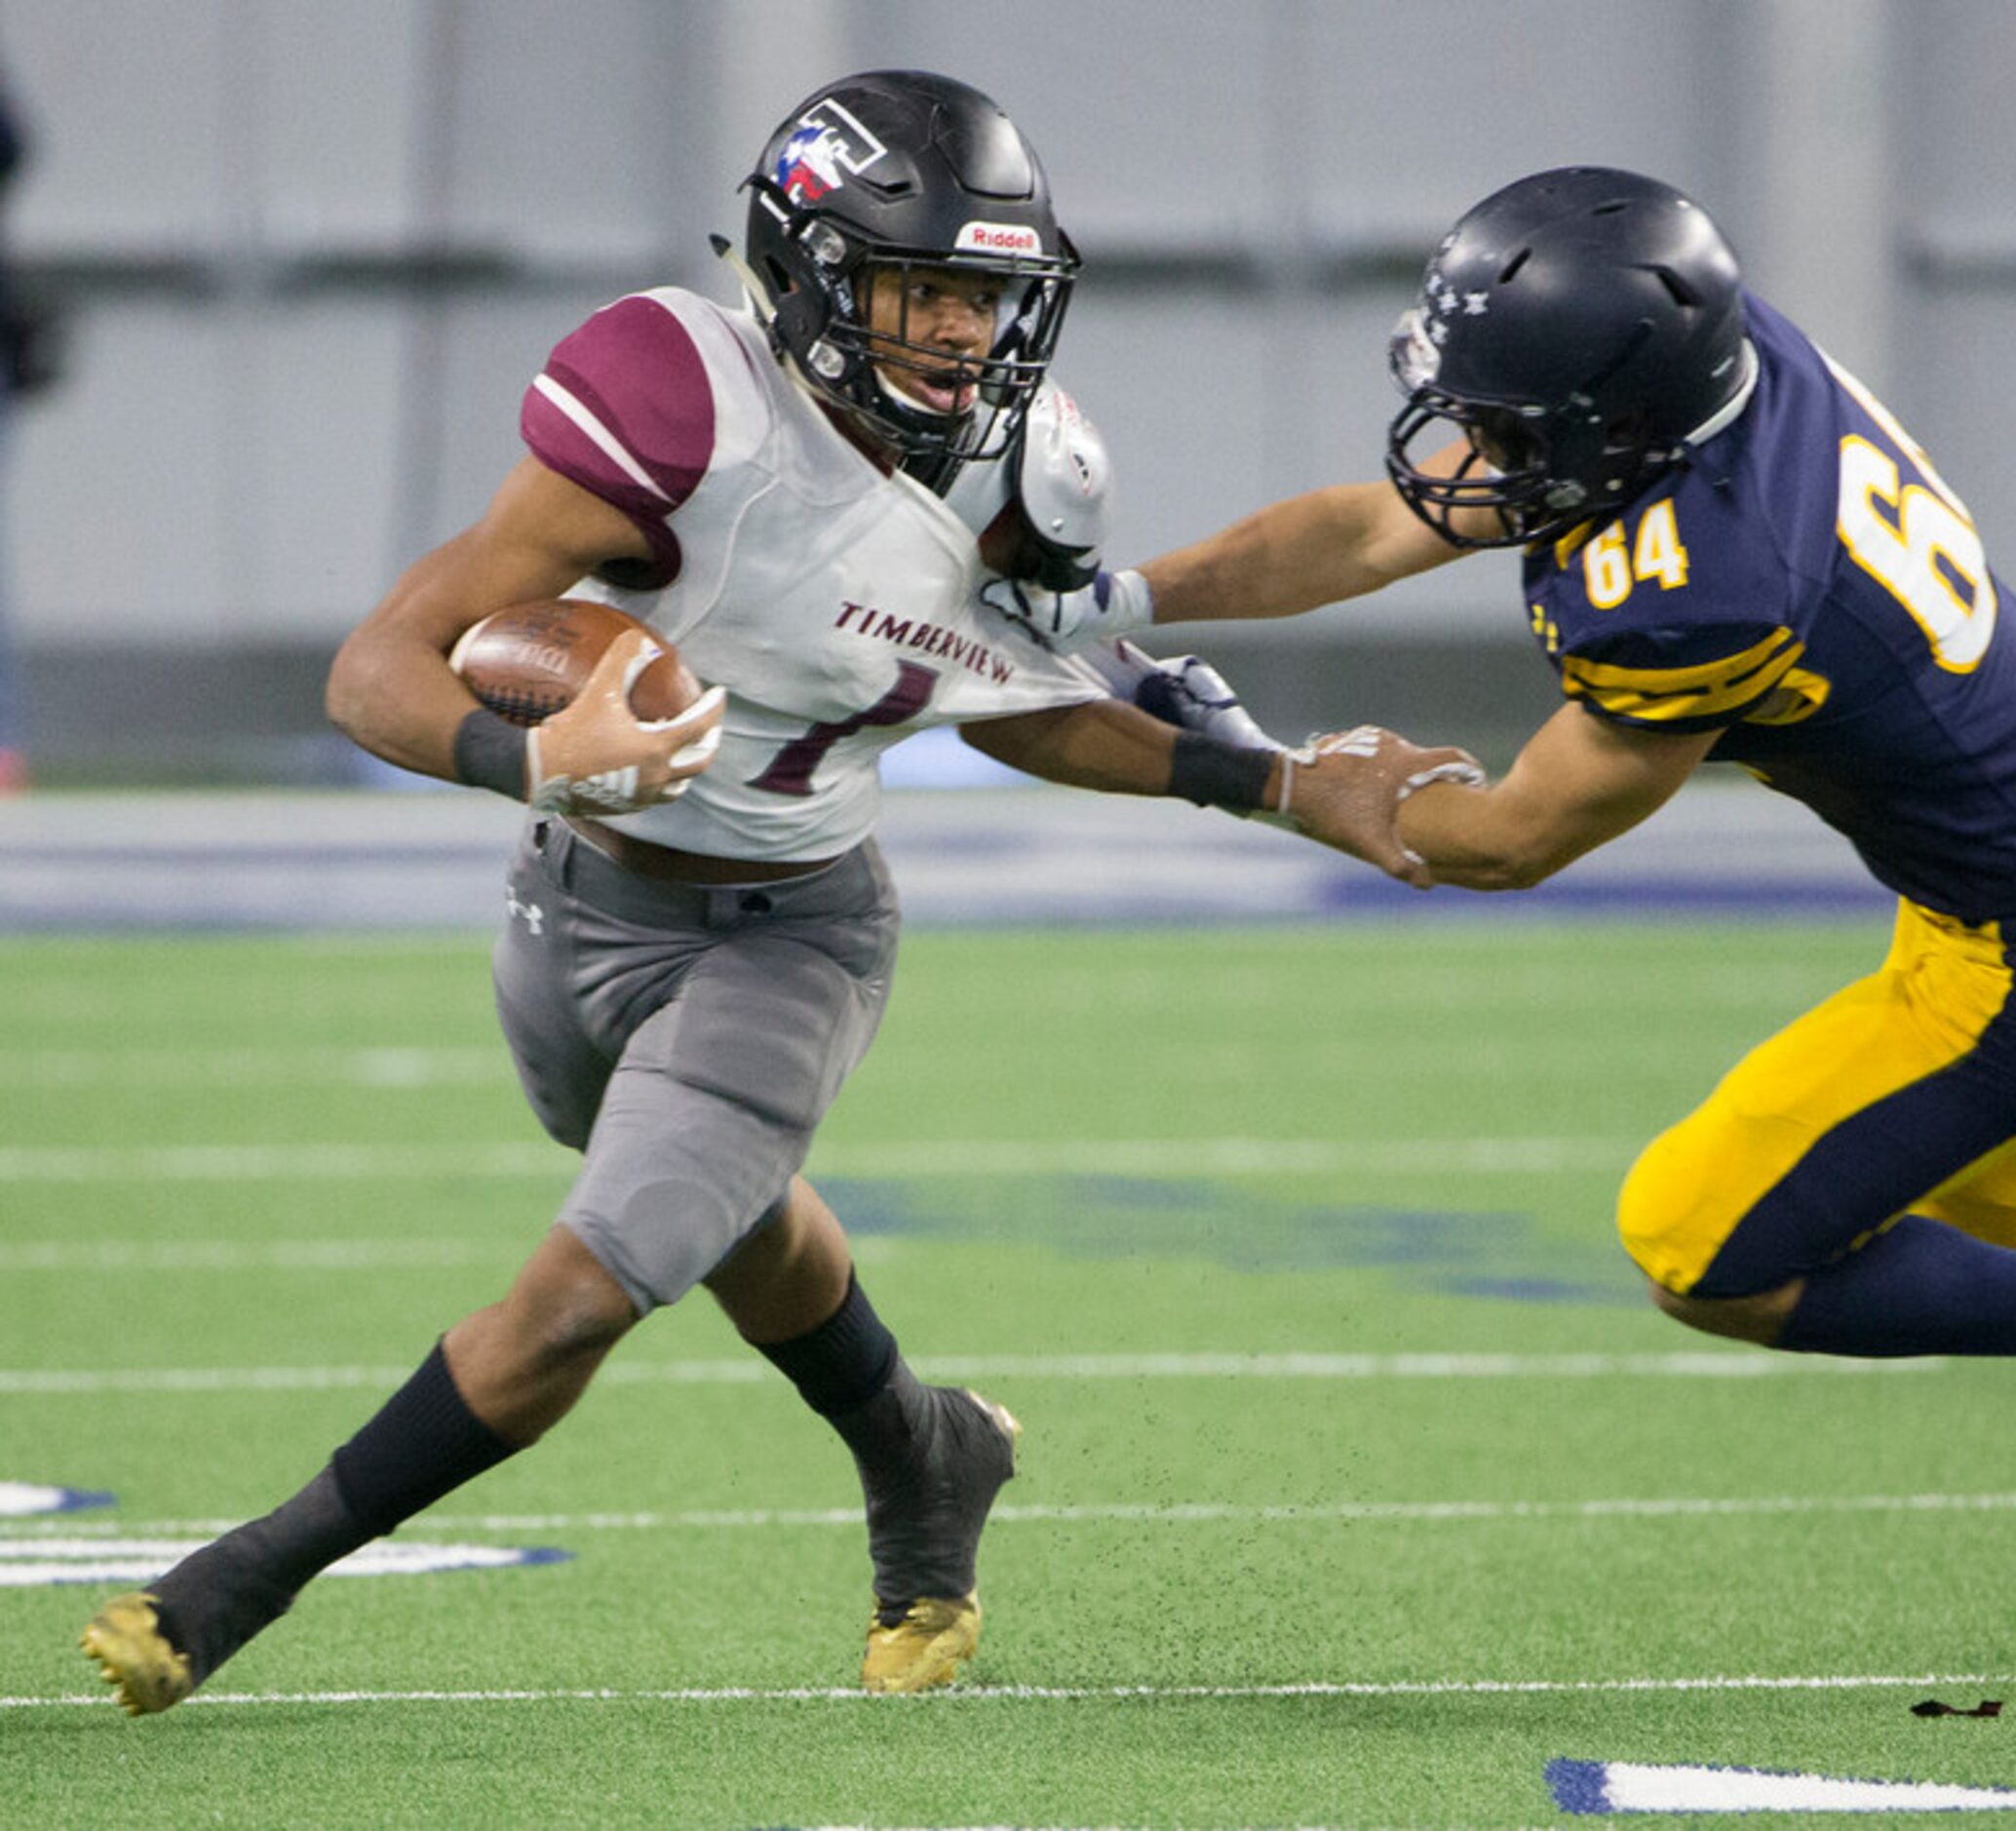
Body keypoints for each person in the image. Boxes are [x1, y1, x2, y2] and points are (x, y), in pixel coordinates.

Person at [989, 167, 2016, 1689]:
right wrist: (1115, 598)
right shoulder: (1711, 366)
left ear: (1614, 420)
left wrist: (1277, 779)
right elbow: (1379, 530)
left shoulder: (1706, 583)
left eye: (1511, 429)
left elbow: (1515, 835)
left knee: (1702, 1238)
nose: (1473, 455)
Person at [78, 70, 1467, 1717]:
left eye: (988, 295)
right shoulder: (677, 405)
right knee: (723, 1211)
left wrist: (1283, 782)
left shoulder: (1022, 471)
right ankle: (925, 1446)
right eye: (926, 288)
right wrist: (534, 761)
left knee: (582, 1287)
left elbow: (1019, 700)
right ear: (812, 270)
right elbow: (382, 661)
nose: (964, 335)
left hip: (793, 929)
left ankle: (234, 1580)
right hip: (573, 901)